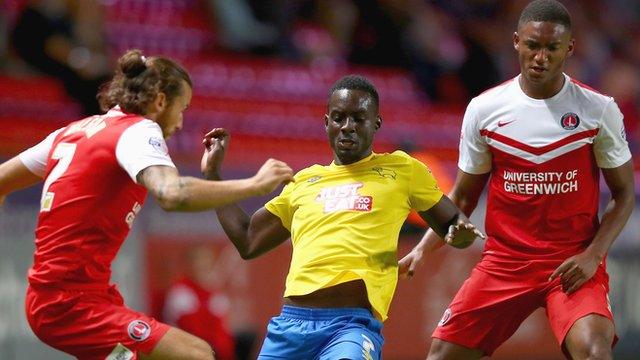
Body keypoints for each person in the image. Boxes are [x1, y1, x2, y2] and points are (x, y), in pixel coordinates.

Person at [0, 49, 293, 360]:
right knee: (196, 354)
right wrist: (255, 184)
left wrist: (212, 175)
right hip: (70, 304)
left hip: (77, 298)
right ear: (160, 102)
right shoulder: (139, 131)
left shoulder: (72, 132)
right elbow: (172, 194)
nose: (180, 123)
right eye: (182, 109)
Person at [399, 1, 635, 359]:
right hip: (505, 263)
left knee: (594, 352)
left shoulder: (597, 109)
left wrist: (593, 256)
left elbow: (623, 195)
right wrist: (422, 248)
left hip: (571, 262)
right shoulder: (485, 109)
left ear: (569, 48)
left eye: (551, 48)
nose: (540, 57)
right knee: (440, 356)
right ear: (516, 42)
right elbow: (462, 198)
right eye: (532, 45)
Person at [203, 74, 484, 359]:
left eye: (358, 119)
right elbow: (247, 239)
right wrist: (213, 177)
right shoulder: (304, 181)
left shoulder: (403, 170)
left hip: (351, 327)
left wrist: (457, 237)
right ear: (327, 123)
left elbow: (454, 226)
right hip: (289, 327)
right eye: (338, 118)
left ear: (376, 124)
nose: (347, 127)